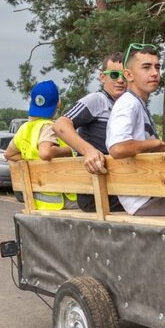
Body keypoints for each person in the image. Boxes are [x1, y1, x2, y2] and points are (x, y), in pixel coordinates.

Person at [106, 45, 165, 216]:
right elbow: (117, 147)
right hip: (142, 200)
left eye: (157, 67)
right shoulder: (127, 103)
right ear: (128, 75)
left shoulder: (138, 104)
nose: (154, 73)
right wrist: (156, 144)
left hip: (153, 191)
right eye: (146, 67)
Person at [52, 52, 127, 212]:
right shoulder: (97, 100)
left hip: (121, 186)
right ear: (102, 77)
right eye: (114, 75)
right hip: (97, 192)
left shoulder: (127, 106)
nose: (120, 80)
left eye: (125, 75)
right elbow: (60, 125)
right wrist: (88, 151)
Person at [5, 80, 77, 210]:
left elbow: (9, 154)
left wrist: (31, 161)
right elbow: (45, 153)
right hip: (61, 200)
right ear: (58, 103)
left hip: (37, 200)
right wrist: (69, 150)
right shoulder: (48, 126)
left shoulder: (23, 129)